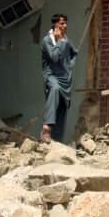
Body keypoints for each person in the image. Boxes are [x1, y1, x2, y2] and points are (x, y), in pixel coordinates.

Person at [40, 13, 78, 142]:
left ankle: (56, 141)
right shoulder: (47, 40)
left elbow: (74, 53)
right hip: (52, 76)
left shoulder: (66, 39)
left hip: (65, 78)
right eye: (62, 23)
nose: (65, 26)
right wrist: (59, 42)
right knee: (55, 89)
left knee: (62, 107)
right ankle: (46, 127)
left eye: (66, 23)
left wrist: (70, 65)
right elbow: (54, 57)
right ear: (55, 24)